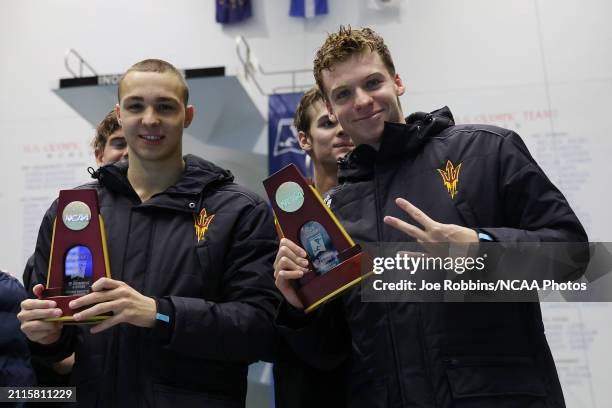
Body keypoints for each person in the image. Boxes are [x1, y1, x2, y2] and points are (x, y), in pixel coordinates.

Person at [274, 27, 588, 407]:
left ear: (398, 82)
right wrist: (297, 308)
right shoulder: (334, 213)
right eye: (343, 94)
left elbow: (574, 258)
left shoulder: (486, 151)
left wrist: (479, 248)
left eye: (372, 82)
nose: (361, 101)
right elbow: (333, 353)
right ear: (330, 107)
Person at [18, 59, 280, 407]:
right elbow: (56, 335)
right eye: (136, 106)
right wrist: (45, 336)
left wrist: (159, 312)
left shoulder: (239, 211)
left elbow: (259, 331)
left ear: (187, 116)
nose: (151, 119)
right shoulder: (73, 211)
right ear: (120, 114)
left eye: (166, 107)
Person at [21, 109, 129, 391]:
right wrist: (49, 340)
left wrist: (160, 314)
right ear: (99, 154)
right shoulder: (65, 213)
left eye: (136, 141)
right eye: (119, 143)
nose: (128, 151)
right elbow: (50, 333)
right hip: (92, 384)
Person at [273, 87, 352, 408]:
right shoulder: (279, 222)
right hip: (309, 384)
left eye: (346, 120)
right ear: (304, 139)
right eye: (328, 123)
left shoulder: (388, 206)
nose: (342, 130)